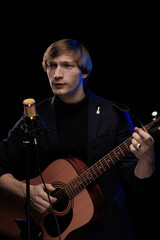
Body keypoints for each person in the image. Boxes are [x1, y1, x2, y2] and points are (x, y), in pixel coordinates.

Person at [0, 39, 155, 240]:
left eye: (67, 66)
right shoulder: (34, 116)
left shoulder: (113, 114)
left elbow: (137, 183)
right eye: (51, 66)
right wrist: (25, 191)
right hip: (48, 228)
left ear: (84, 72)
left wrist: (146, 160)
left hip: (107, 227)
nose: (56, 74)